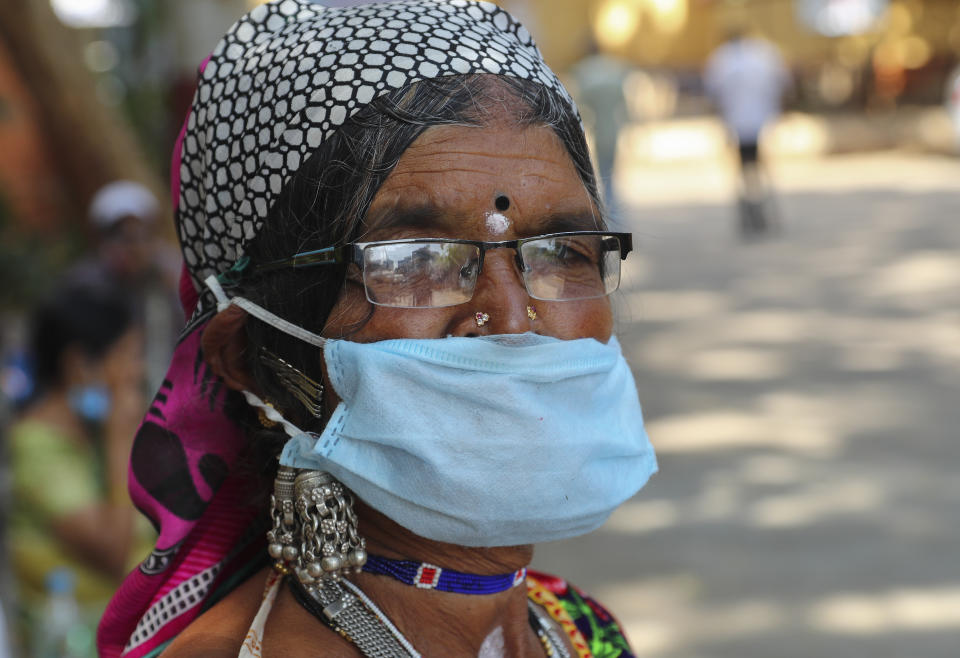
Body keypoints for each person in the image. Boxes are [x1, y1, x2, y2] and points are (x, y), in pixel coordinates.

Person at [98, 2, 657, 656]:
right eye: (415, 261)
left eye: (563, 250)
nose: (509, 315)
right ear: (249, 356)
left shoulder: (580, 631)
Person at [7, 282, 147, 656]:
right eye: (127, 357)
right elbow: (112, 553)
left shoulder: (91, 434)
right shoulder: (36, 446)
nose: (138, 371)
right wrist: (120, 438)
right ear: (79, 365)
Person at [71, 180, 183, 394]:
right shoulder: (87, 286)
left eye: (140, 235)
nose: (133, 247)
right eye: (121, 236)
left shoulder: (171, 273)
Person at [704, 28, 790, 237]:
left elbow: (713, 92)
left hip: (738, 122)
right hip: (762, 119)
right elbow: (783, 83)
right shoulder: (763, 53)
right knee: (762, 169)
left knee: (744, 171)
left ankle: (749, 215)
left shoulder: (723, 58)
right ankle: (765, 214)